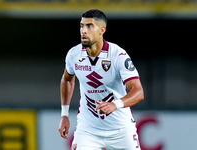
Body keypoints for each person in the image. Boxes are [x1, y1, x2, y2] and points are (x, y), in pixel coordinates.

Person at [58, 9, 144, 150]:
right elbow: (67, 79)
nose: (83, 31)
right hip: (88, 130)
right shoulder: (73, 54)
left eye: (89, 26)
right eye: (81, 26)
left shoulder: (118, 55)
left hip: (121, 130)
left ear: (102, 30)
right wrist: (64, 114)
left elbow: (138, 92)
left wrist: (115, 105)